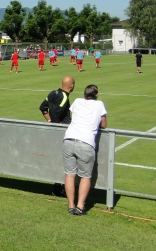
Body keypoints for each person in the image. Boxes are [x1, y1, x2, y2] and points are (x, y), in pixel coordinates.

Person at [62, 84, 107, 215]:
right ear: (96, 94)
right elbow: (103, 124)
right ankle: (80, 206)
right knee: (85, 176)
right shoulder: (99, 105)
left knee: (70, 174)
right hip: (86, 142)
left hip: (69, 139)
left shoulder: (77, 101)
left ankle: (71, 205)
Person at [40, 76, 75, 197]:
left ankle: (58, 187)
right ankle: (61, 188)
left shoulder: (53, 93)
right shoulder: (64, 97)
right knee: (66, 161)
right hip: (63, 134)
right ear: (71, 85)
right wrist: (57, 125)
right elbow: (55, 112)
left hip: (56, 133)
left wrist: (50, 121)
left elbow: (43, 107)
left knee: (58, 160)